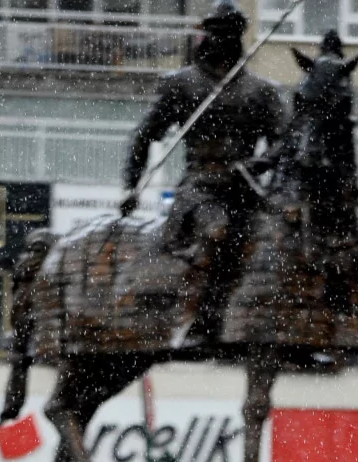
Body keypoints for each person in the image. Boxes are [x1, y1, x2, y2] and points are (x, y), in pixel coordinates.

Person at [120, 0, 285, 348]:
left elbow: (283, 143)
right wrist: (130, 186)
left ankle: (286, 329)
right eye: (214, 32)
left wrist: (260, 163)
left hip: (247, 189)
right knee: (217, 231)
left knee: (286, 241)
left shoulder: (262, 91)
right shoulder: (181, 85)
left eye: (228, 33)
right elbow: (144, 135)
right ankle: (201, 322)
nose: (220, 39)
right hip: (200, 188)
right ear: (205, 35)